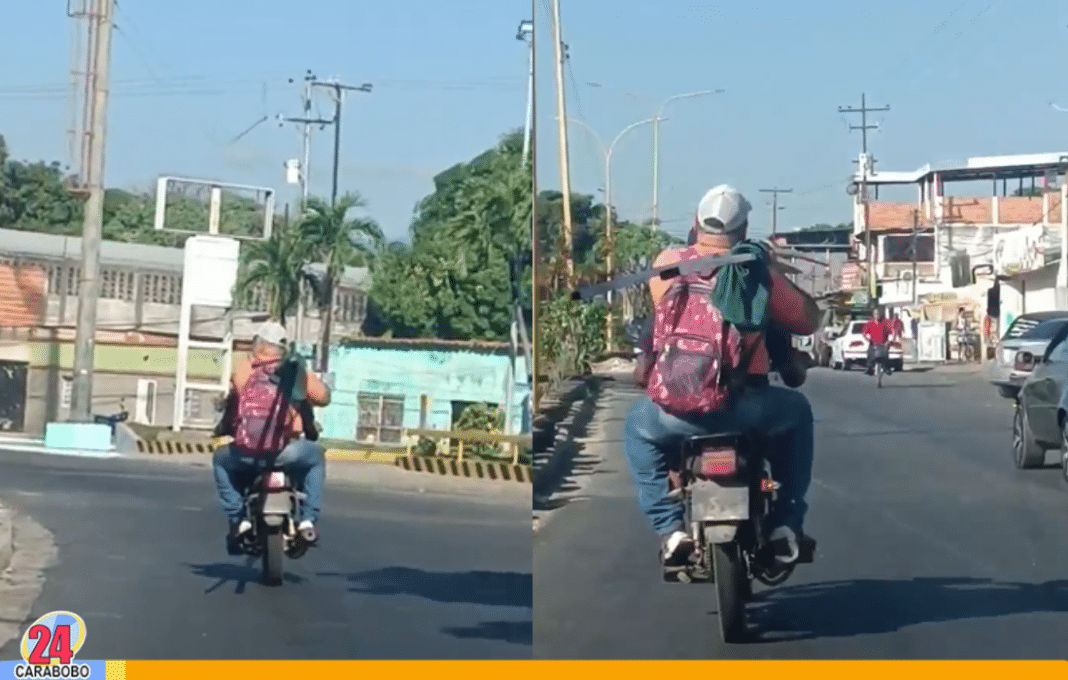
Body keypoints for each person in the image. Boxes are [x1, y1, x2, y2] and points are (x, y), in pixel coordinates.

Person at [623, 185, 821, 567]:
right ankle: (785, 524)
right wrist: (772, 271)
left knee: (637, 427)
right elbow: (808, 321)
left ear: (696, 223)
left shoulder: (668, 263)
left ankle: (671, 530)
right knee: (797, 412)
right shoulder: (757, 271)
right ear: (744, 229)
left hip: (677, 411)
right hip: (745, 408)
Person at [213, 321, 331, 554]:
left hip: (247, 452)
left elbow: (233, 404)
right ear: (283, 347)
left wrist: (224, 429)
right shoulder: (294, 370)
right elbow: (323, 397)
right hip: (286, 451)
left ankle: (238, 519)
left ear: (257, 345)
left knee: (220, 460)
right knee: (316, 457)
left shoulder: (245, 369)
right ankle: (307, 520)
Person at [861, 308, 896, 375]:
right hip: (873, 344)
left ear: (881, 314)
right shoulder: (870, 323)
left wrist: (890, 341)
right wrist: (867, 339)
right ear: (873, 315)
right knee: (870, 354)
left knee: (885, 355)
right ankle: (869, 368)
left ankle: (886, 368)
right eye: (875, 314)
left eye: (878, 313)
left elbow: (893, 331)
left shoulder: (885, 322)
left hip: (884, 344)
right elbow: (864, 333)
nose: (877, 315)